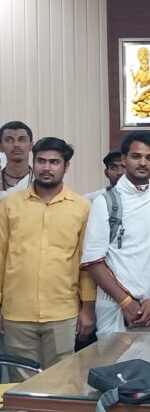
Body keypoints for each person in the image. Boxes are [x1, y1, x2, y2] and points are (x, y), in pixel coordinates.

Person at [0, 137, 94, 377]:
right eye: (41, 161)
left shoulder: (81, 207)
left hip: (62, 311)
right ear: (34, 162)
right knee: (21, 386)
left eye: (54, 162)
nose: (46, 167)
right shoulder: (10, 205)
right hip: (16, 311)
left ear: (66, 166)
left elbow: (86, 263)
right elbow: (1, 255)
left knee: (61, 381)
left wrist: (87, 308)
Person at [81, 131, 150, 337]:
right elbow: (93, 262)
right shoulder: (106, 201)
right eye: (136, 156)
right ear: (124, 159)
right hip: (113, 306)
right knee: (114, 359)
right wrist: (126, 302)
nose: (143, 162)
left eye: (149, 157)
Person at [0, 121, 33, 201]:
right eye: (9, 140)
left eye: (22, 140)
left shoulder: (40, 181)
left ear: (31, 145)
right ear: (1, 147)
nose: (16, 145)